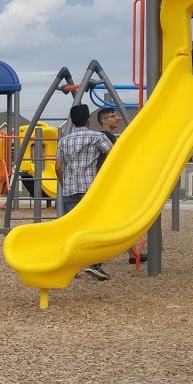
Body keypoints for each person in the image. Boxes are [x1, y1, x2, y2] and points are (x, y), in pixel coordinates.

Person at [55, 104, 113, 281]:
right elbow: (113, 156)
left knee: (73, 228)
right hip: (91, 187)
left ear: (72, 122)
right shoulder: (97, 136)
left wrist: (64, 183)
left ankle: (72, 265)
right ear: (88, 120)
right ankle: (94, 264)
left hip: (71, 188)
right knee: (95, 227)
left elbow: (58, 166)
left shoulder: (64, 140)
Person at [98, 107, 142, 266]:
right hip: (108, 183)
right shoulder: (106, 137)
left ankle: (132, 253)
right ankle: (96, 258)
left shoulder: (103, 136)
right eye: (112, 116)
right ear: (104, 121)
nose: (117, 118)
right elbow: (114, 160)